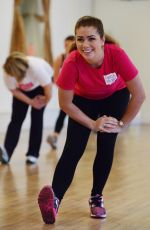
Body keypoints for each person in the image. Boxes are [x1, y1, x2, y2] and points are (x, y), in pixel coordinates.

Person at [38, 16, 145, 224]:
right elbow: (65, 104)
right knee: (73, 149)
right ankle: (55, 200)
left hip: (115, 97)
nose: (85, 45)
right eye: (80, 39)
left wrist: (121, 126)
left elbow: (139, 95)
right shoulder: (71, 62)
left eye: (91, 38)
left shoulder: (117, 55)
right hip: (83, 101)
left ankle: (97, 197)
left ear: (103, 39)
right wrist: (92, 124)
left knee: (106, 145)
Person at [0, 52, 53, 165]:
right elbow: (14, 90)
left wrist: (44, 101)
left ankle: (32, 154)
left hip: (40, 88)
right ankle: (6, 154)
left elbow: (48, 87)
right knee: (16, 119)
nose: (17, 79)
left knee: (37, 118)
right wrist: (30, 102)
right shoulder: (7, 72)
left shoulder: (36, 67)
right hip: (21, 92)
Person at [47, 35, 75, 149]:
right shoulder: (60, 58)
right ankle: (55, 135)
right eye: (65, 45)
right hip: (68, 92)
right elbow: (56, 79)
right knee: (63, 113)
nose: (67, 47)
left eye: (69, 44)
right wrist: (67, 88)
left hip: (82, 92)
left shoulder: (81, 56)